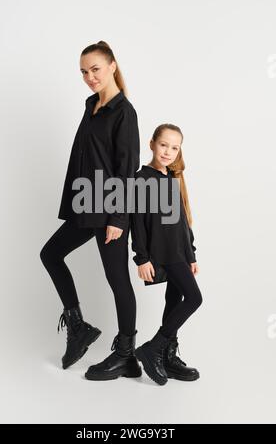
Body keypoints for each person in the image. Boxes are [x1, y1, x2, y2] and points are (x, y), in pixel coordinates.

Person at [40, 41, 142, 381]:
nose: (89, 77)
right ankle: (78, 327)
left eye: (95, 69)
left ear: (112, 66)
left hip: (111, 209)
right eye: (84, 72)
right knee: (51, 254)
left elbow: (126, 169)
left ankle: (127, 355)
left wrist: (118, 218)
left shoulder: (124, 112)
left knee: (117, 281)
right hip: (86, 204)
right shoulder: (91, 105)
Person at [131, 124, 203, 385]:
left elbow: (183, 222)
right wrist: (141, 257)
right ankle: (154, 348)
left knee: (174, 300)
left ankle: (167, 357)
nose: (168, 151)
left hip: (179, 252)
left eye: (174, 147)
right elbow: (137, 221)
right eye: (164, 145)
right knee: (194, 298)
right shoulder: (142, 178)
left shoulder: (172, 179)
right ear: (152, 144)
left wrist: (191, 255)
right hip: (163, 252)